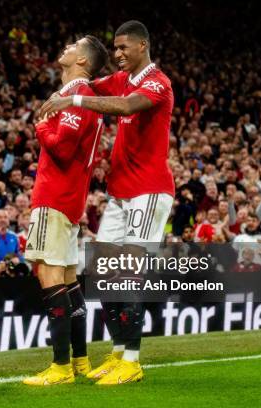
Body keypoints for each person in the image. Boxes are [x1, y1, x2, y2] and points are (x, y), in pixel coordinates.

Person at [40, 20, 174, 385]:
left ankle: (132, 361)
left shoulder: (157, 83)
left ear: (143, 45)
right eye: (113, 49)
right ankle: (117, 353)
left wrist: (73, 99)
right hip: (120, 193)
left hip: (149, 191)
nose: (117, 54)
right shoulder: (119, 79)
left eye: (123, 47)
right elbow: (85, 84)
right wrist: (71, 77)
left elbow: (127, 106)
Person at [22, 35, 108, 386]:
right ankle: (81, 360)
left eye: (74, 44)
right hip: (70, 198)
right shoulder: (84, 98)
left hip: (54, 196)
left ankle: (59, 369)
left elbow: (61, 147)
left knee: (50, 276)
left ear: (83, 61)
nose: (67, 46)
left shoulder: (79, 98)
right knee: (70, 281)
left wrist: (40, 125)